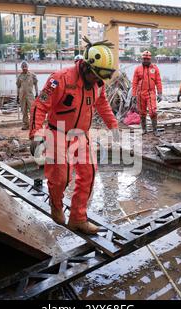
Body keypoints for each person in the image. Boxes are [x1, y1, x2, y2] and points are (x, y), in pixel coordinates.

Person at [29, 37, 119, 234]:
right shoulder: (59, 79)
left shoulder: (98, 84)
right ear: (86, 67)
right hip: (57, 133)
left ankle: (78, 218)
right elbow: (40, 105)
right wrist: (36, 134)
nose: (97, 82)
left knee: (89, 174)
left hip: (81, 136)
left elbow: (102, 104)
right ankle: (56, 204)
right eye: (95, 77)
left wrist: (113, 125)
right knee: (61, 178)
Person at [131, 51, 163, 136]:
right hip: (140, 93)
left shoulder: (155, 68)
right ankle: (144, 129)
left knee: (153, 111)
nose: (145, 60)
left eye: (147, 59)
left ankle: (155, 130)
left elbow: (158, 81)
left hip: (151, 92)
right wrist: (133, 95)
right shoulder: (138, 69)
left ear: (150, 59)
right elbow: (134, 83)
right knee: (142, 112)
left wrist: (160, 93)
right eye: (144, 59)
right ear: (142, 59)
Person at [16, 61, 38, 130]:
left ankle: (33, 125)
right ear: (21, 67)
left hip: (30, 96)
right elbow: (18, 87)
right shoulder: (19, 76)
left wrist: (37, 93)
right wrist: (17, 96)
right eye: (23, 67)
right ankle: (25, 125)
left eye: (25, 66)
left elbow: (36, 84)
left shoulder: (32, 75)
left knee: (32, 110)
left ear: (28, 67)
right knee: (24, 111)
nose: (24, 68)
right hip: (22, 96)